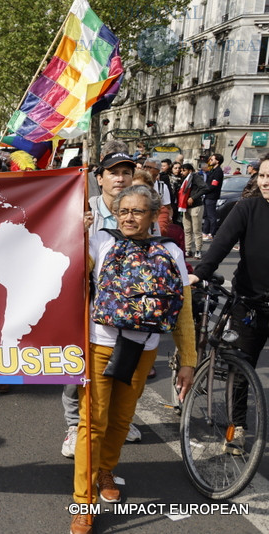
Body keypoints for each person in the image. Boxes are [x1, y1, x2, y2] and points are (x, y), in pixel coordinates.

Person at [70, 185, 196, 534]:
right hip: (100, 345)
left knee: (122, 420)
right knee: (91, 424)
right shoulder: (101, 242)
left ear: (154, 216)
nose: (128, 217)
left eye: (138, 211)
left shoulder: (170, 251)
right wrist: (75, 233)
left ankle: (106, 469)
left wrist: (188, 359)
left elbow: (184, 311)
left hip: (145, 349)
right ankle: (83, 503)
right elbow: (71, 269)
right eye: (124, 211)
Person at [62, 145, 143, 458]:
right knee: (77, 365)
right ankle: (74, 424)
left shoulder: (142, 208)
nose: (120, 179)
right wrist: (76, 232)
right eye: (113, 172)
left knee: (125, 362)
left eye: (126, 172)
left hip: (128, 308)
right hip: (85, 300)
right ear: (99, 177)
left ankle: (118, 418)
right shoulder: (83, 207)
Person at [191, 155, 269, 455]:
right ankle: (237, 429)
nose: (265, 181)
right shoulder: (247, 208)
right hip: (248, 304)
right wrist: (199, 274)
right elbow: (221, 245)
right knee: (240, 369)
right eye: (262, 175)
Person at [177, 163, 208, 259]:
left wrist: (193, 198)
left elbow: (205, 188)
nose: (182, 172)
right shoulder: (184, 179)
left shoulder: (195, 177)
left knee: (196, 230)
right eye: (181, 170)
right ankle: (188, 250)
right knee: (187, 230)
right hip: (185, 207)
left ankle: (198, 250)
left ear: (190, 170)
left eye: (184, 170)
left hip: (196, 206)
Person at [202, 153, 224, 240]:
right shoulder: (212, 170)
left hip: (212, 196)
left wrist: (204, 190)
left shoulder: (218, 171)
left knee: (211, 216)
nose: (210, 161)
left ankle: (212, 233)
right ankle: (205, 232)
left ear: (217, 161)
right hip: (207, 196)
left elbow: (214, 185)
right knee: (207, 215)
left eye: (212, 159)